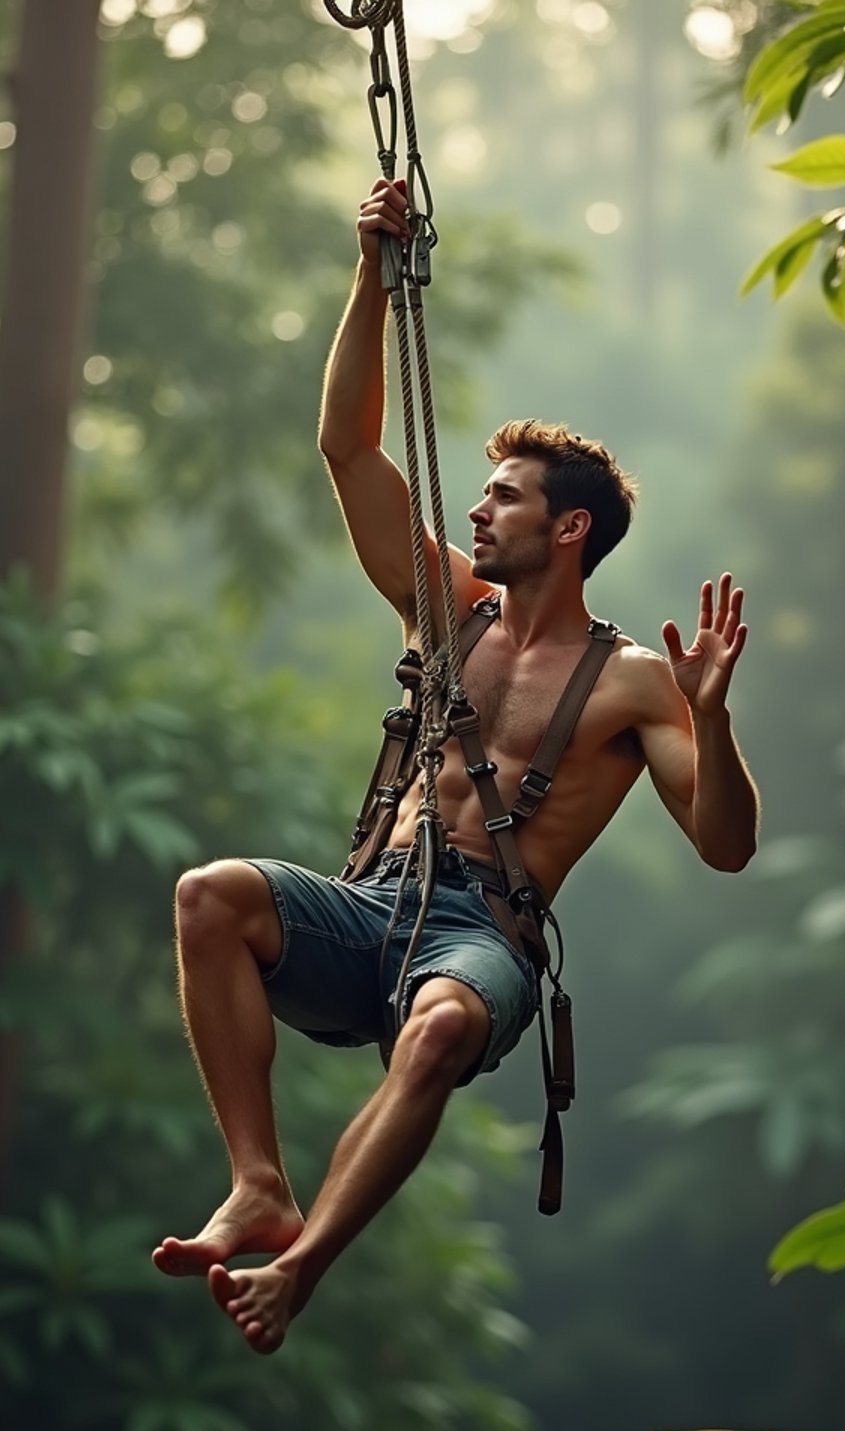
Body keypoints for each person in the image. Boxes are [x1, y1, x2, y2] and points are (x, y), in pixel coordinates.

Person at [152, 178, 759, 1354]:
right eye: (479, 494)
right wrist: (373, 277)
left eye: (505, 498)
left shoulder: (635, 681)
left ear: (569, 528)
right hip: (375, 902)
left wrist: (716, 721)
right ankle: (257, 1183)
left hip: (483, 939)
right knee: (209, 896)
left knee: (432, 1036)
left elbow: (727, 847)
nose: (477, 512)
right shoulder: (448, 608)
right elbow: (346, 446)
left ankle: (305, 1262)